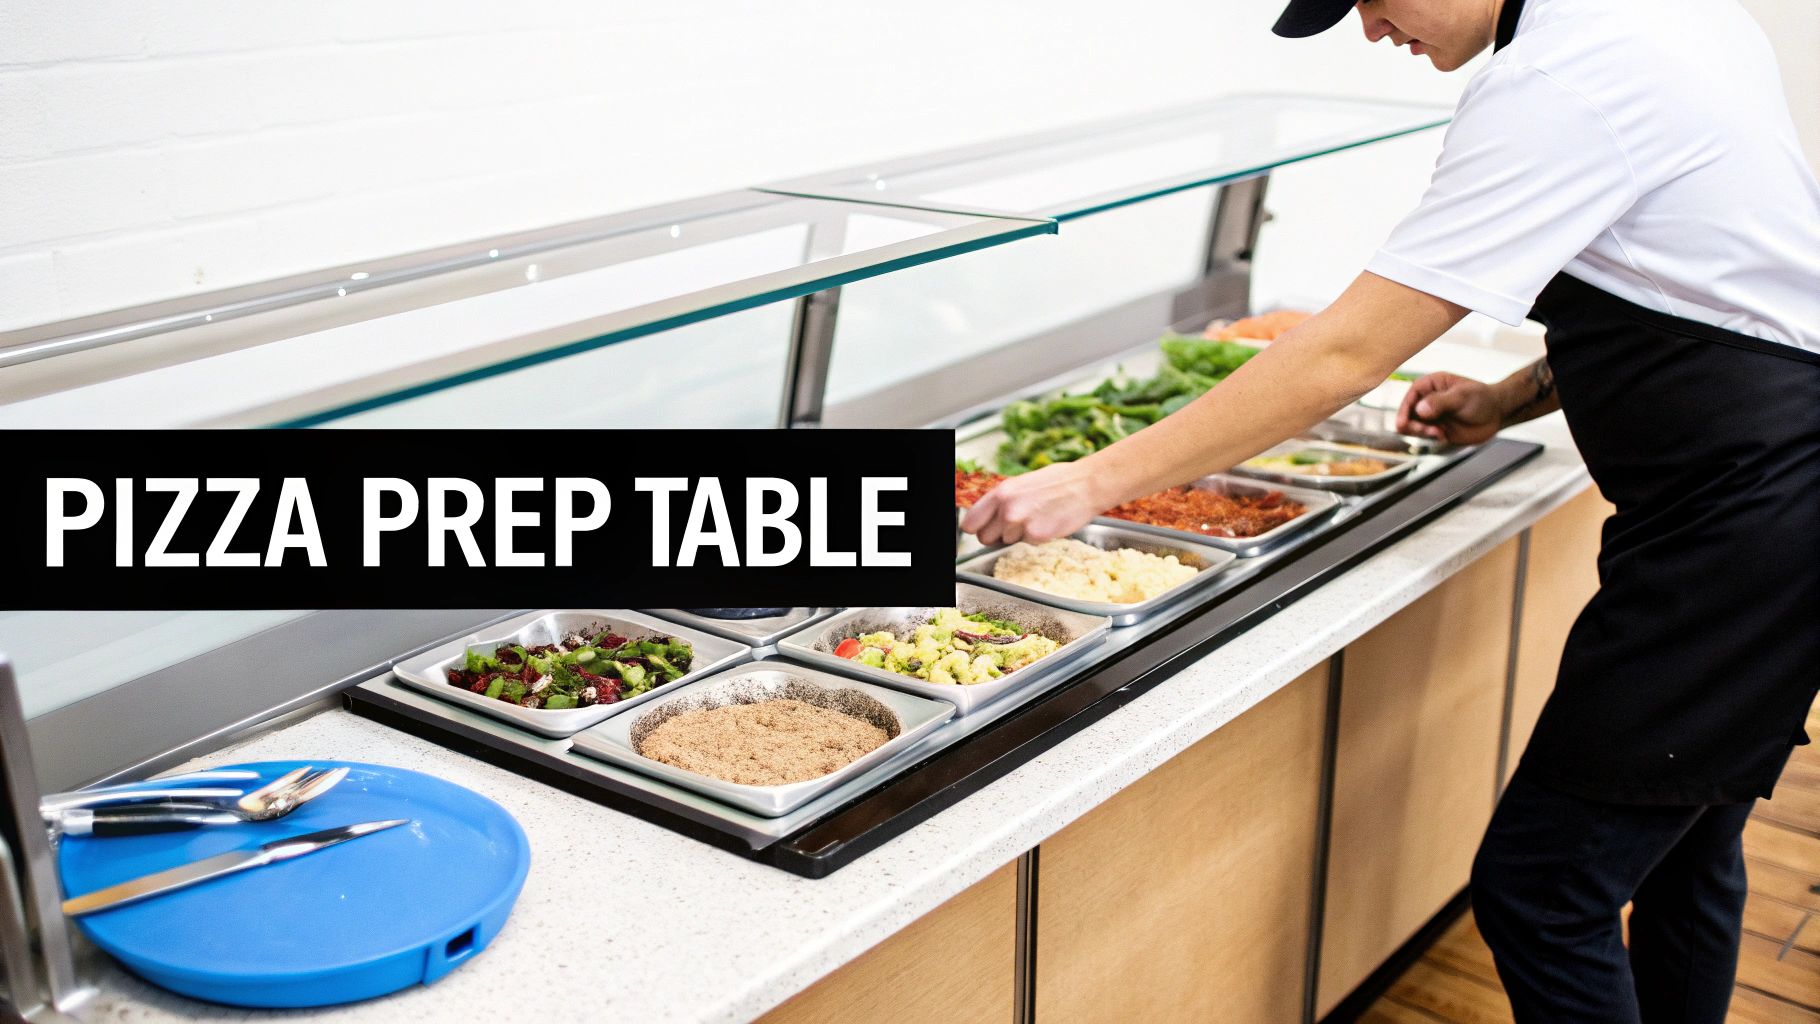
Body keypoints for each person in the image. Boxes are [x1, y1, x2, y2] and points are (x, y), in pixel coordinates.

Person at [960, 0, 1820, 1019]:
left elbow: (1340, 352)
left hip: (1746, 523)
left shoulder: (1560, 76)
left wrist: (1088, 481)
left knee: (1542, 890)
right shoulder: (1656, 17)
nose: (1369, 28)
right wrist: (1509, 397)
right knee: (1687, 844)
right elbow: (1705, 279)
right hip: (1759, 504)